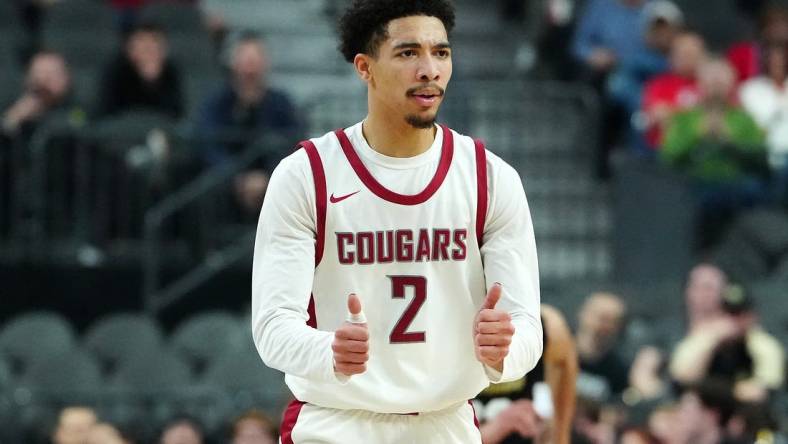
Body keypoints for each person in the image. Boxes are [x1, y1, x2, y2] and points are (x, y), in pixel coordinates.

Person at [251, 1, 543, 443]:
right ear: (365, 68)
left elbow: (526, 330)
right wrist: (326, 349)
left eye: (441, 53)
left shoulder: (491, 178)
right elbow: (272, 326)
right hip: (337, 421)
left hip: (445, 422)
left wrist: (505, 349)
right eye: (408, 53)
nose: (429, 69)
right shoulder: (306, 175)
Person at [198, 32, 302, 216]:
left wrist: (267, 177)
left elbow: (294, 145)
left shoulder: (282, 104)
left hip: (273, 186)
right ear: (234, 64)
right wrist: (238, 179)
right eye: (245, 61)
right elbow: (208, 145)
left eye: (255, 61)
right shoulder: (216, 103)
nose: (250, 69)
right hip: (226, 188)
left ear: (265, 64)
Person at [475, 305, 577, 444]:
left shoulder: (549, 327)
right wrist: (495, 429)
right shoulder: (442, 328)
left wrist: (553, 429)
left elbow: (558, 431)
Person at [670, 284, 785, 404]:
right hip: (711, 409)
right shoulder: (704, 339)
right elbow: (683, 376)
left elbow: (761, 391)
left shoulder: (764, 345)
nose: (733, 321)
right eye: (728, 313)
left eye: (740, 314)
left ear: (752, 316)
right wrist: (712, 340)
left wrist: (732, 390)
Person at [98, 22, 184, 118]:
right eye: (142, 44)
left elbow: (176, 115)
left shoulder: (172, 73)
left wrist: (153, 79)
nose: (148, 49)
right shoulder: (115, 72)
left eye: (154, 43)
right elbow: (106, 114)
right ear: (130, 49)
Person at [641, 30, 706, 149]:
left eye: (692, 54)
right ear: (672, 58)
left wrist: (673, 114)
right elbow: (657, 116)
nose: (688, 59)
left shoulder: (710, 85)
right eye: (683, 55)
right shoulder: (659, 85)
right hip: (663, 152)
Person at [575, 292, 630, 402]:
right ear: (582, 314)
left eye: (609, 321)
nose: (599, 326)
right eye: (597, 316)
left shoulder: (619, 371)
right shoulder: (551, 351)